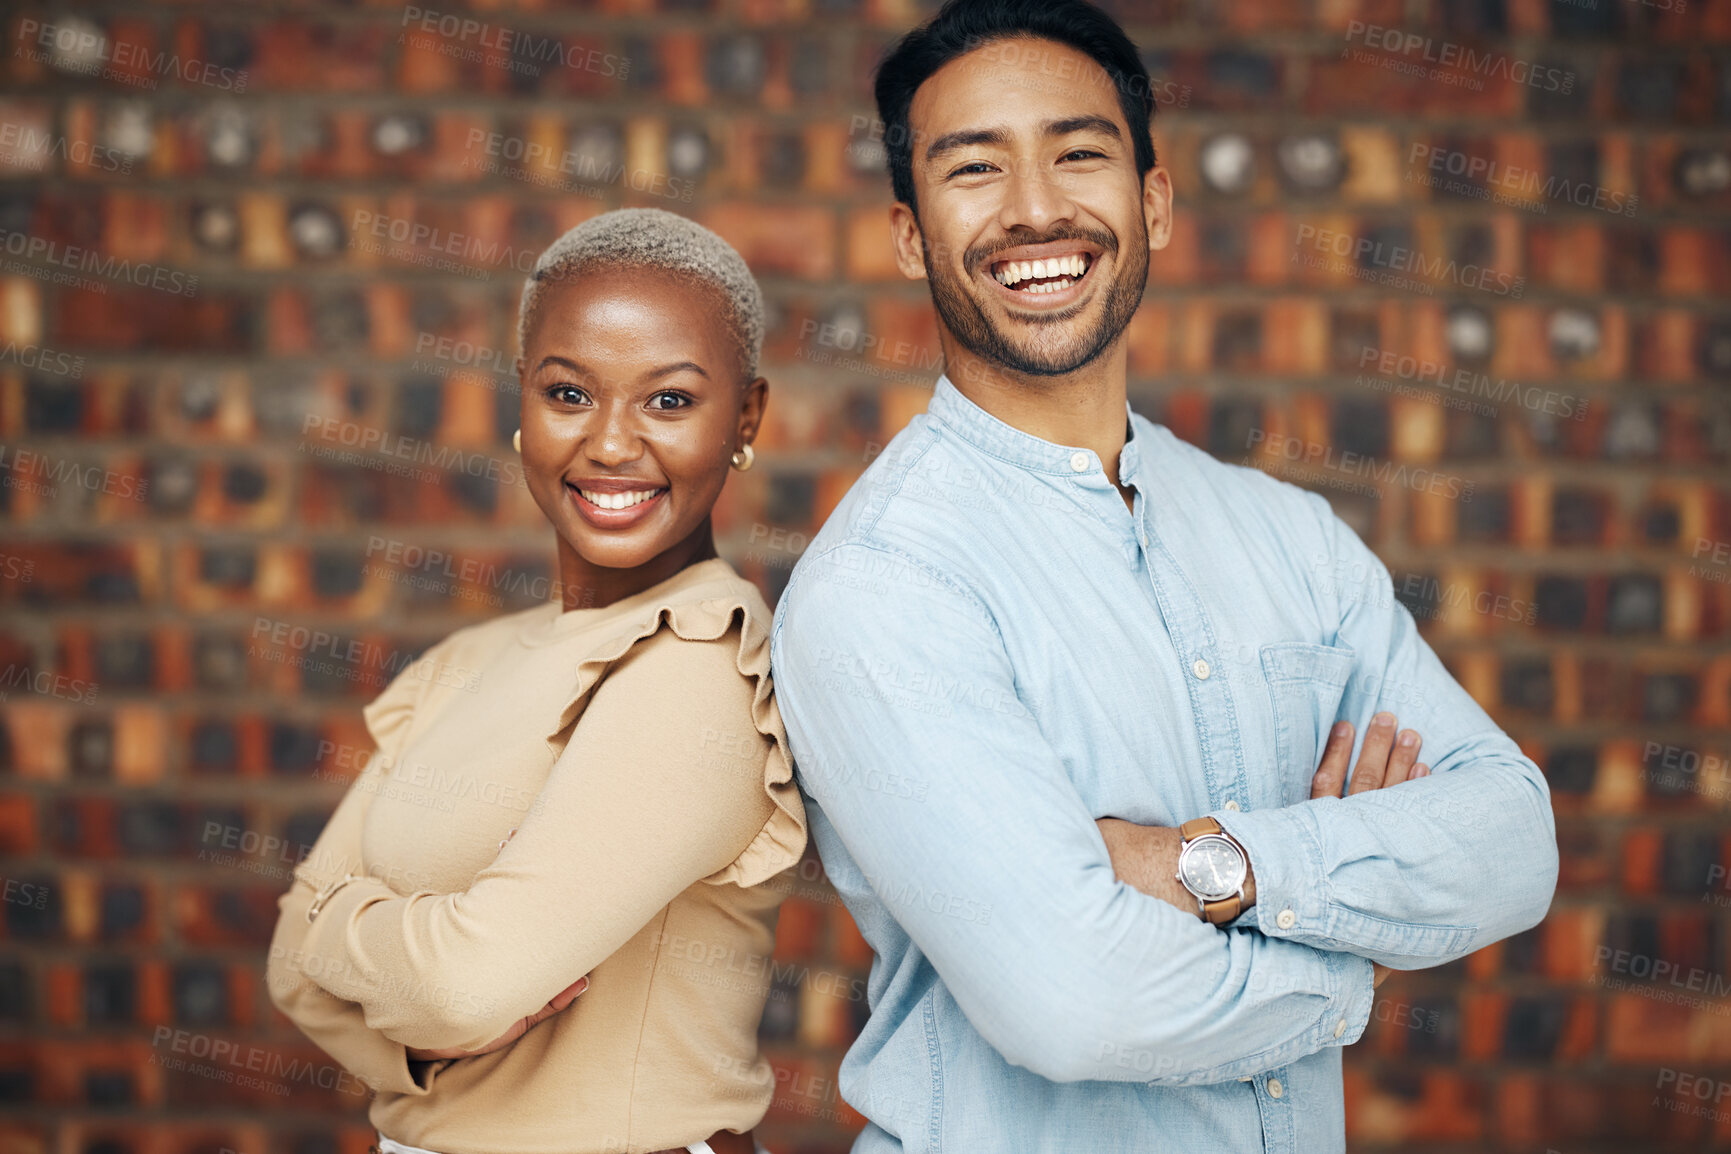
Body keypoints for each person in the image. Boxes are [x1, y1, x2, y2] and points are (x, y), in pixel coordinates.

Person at [767, 1, 1559, 1151]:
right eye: (974, 168)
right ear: (908, 233)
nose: (1036, 208)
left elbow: (1512, 841)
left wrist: (1202, 864)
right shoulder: (883, 585)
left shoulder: (1288, 537)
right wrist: (1347, 954)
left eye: (1078, 152)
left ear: (1155, 202)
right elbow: (1077, 1001)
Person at [266, 208, 805, 1154]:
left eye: (668, 402)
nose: (609, 445)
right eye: (569, 394)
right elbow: (289, 972)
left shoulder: (701, 660)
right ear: (522, 403)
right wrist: (425, 1021)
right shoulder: (469, 663)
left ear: (745, 418)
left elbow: (461, 984)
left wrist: (340, 923)